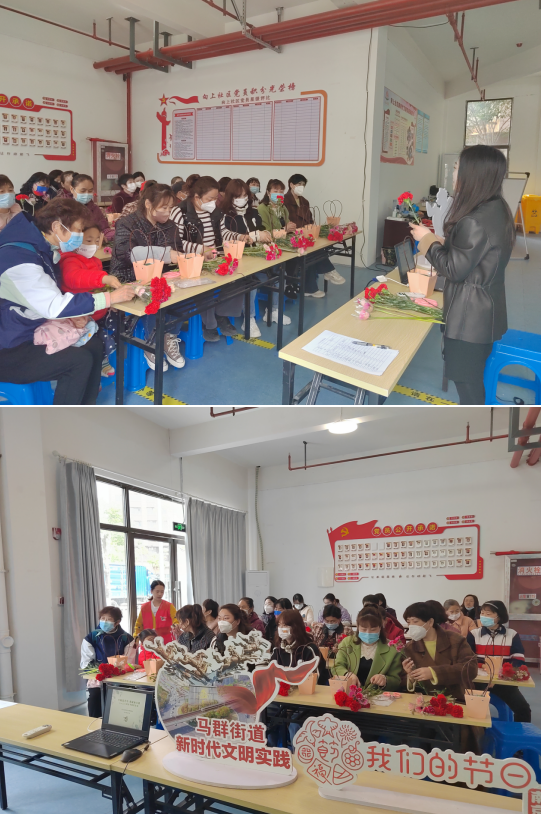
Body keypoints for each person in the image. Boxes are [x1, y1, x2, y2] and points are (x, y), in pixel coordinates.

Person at [0, 200, 135, 404]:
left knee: (94, 345)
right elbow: (53, 305)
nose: (80, 237)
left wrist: (71, 317)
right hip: (9, 347)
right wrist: (110, 298)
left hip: (29, 331)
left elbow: (39, 301)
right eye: (78, 230)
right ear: (56, 227)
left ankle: (86, 407)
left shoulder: (40, 248)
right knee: (78, 361)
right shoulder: (18, 258)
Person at [411, 145, 515, 404]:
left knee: (468, 386)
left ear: (473, 173)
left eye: (457, 168)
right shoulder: (498, 208)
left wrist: (427, 241)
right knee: (471, 379)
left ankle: (475, 422)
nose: (453, 174)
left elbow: (453, 269)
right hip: (486, 310)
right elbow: (478, 253)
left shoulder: (474, 220)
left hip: (469, 320)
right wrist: (444, 242)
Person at [111, 182, 185, 370]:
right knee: (154, 295)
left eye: (170, 208)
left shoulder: (169, 225)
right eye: (163, 208)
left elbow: (176, 250)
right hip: (128, 277)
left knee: (184, 292)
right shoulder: (127, 223)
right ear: (148, 204)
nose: (167, 212)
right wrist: (165, 254)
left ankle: (168, 336)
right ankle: (150, 342)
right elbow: (125, 253)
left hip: (160, 276)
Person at [171, 175, 244, 342]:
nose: (213, 202)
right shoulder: (180, 212)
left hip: (214, 259)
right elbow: (176, 243)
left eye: (215, 198)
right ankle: (209, 325)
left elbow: (224, 233)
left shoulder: (215, 212)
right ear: (197, 197)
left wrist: (240, 237)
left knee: (239, 278)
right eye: (209, 199)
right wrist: (201, 250)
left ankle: (222, 315)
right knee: (204, 284)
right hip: (191, 262)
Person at [219, 178, 282, 338]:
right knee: (251, 283)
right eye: (238, 196)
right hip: (238, 261)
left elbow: (261, 229)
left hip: (256, 258)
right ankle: (249, 319)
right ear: (230, 197)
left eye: (245, 196)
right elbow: (228, 239)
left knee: (279, 274)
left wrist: (265, 235)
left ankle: (273, 310)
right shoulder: (225, 216)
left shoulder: (252, 212)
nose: (243, 199)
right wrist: (254, 236)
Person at [59, 222, 121, 377]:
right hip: (82, 317)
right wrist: (103, 278)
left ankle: (103, 358)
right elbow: (74, 278)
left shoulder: (95, 261)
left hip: (99, 311)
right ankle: (95, 368)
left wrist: (111, 300)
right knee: (95, 341)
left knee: (117, 325)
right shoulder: (69, 260)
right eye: (88, 240)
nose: (93, 245)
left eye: (96, 241)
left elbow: (99, 288)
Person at [467, 599, 531, 722]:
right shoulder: (474, 634)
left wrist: (505, 672)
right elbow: (468, 658)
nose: (484, 616)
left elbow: (518, 659)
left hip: (503, 682)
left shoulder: (512, 634)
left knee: (523, 709)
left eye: (488, 614)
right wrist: (483, 668)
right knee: (470, 708)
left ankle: (517, 733)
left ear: (499, 616)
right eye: (482, 613)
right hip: (478, 681)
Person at [402, 601, 477, 701]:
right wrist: (411, 677)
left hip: (457, 699)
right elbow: (403, 681)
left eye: (415, 622)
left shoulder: (455, 640)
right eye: (408, 622)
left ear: (430, 622)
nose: (411, 626)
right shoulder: (410, 647)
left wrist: (434, 673)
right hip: (426, 701)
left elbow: (470, 669)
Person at [284, 173, 345, 293]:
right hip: (291, 236)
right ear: (291, 185)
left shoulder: (304, 201)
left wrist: (312, 230)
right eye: (299, 184)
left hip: (305, 235)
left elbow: (310, 220)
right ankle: (328, 271)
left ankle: (311, 288)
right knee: (311, 252)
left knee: (314, 248)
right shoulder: (284, 201)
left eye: (303, 185)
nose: (301, 187)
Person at [80, 606, 135, 717]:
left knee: (121, 701)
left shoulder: (127, 639)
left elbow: (129, 662)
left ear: (117, 622)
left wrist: (115, 670)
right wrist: (101, 670)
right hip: (97, 678)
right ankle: (94, 723)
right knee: (95, 698)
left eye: (109, 619)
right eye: (102, 618)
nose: (104, 621)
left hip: (120, 678)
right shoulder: (91, 638)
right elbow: (86, 662)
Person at [334, 606, 402, 690]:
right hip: (349, 692)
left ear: (380, 627)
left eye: (373, 630)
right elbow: (337, 666)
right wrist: (347, 674)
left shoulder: (392, 649)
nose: (368, 633)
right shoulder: (347, 643)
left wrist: (385, 680)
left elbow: (396, 680)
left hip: (378, 694)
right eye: (364, 629)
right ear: (358, 627)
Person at [271, 609, 327, 684]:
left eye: (285, 625)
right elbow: (271, 673)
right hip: (285, 689)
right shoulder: (277, 649)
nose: (281, 628)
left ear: (296, 626)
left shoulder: (309, 649)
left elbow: (314, 678)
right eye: (279, 624)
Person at [56, 173, 115, 241]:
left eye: (90, 191)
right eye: (83, 191)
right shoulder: (62, 208)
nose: (87, 194)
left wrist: (113, 235)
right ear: (72, 189)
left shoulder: (94, 209)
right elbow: (59, 232)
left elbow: (105, 229)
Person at [133, 579, 177, 643]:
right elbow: (138, 625)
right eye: (157, 591)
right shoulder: (144, 607)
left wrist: (176, 625)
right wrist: (136, 638)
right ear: (151, 591)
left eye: (162, 592)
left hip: (165, 642)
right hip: (148, 642)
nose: (160, 594)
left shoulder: (169, 606)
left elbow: (176, 619)